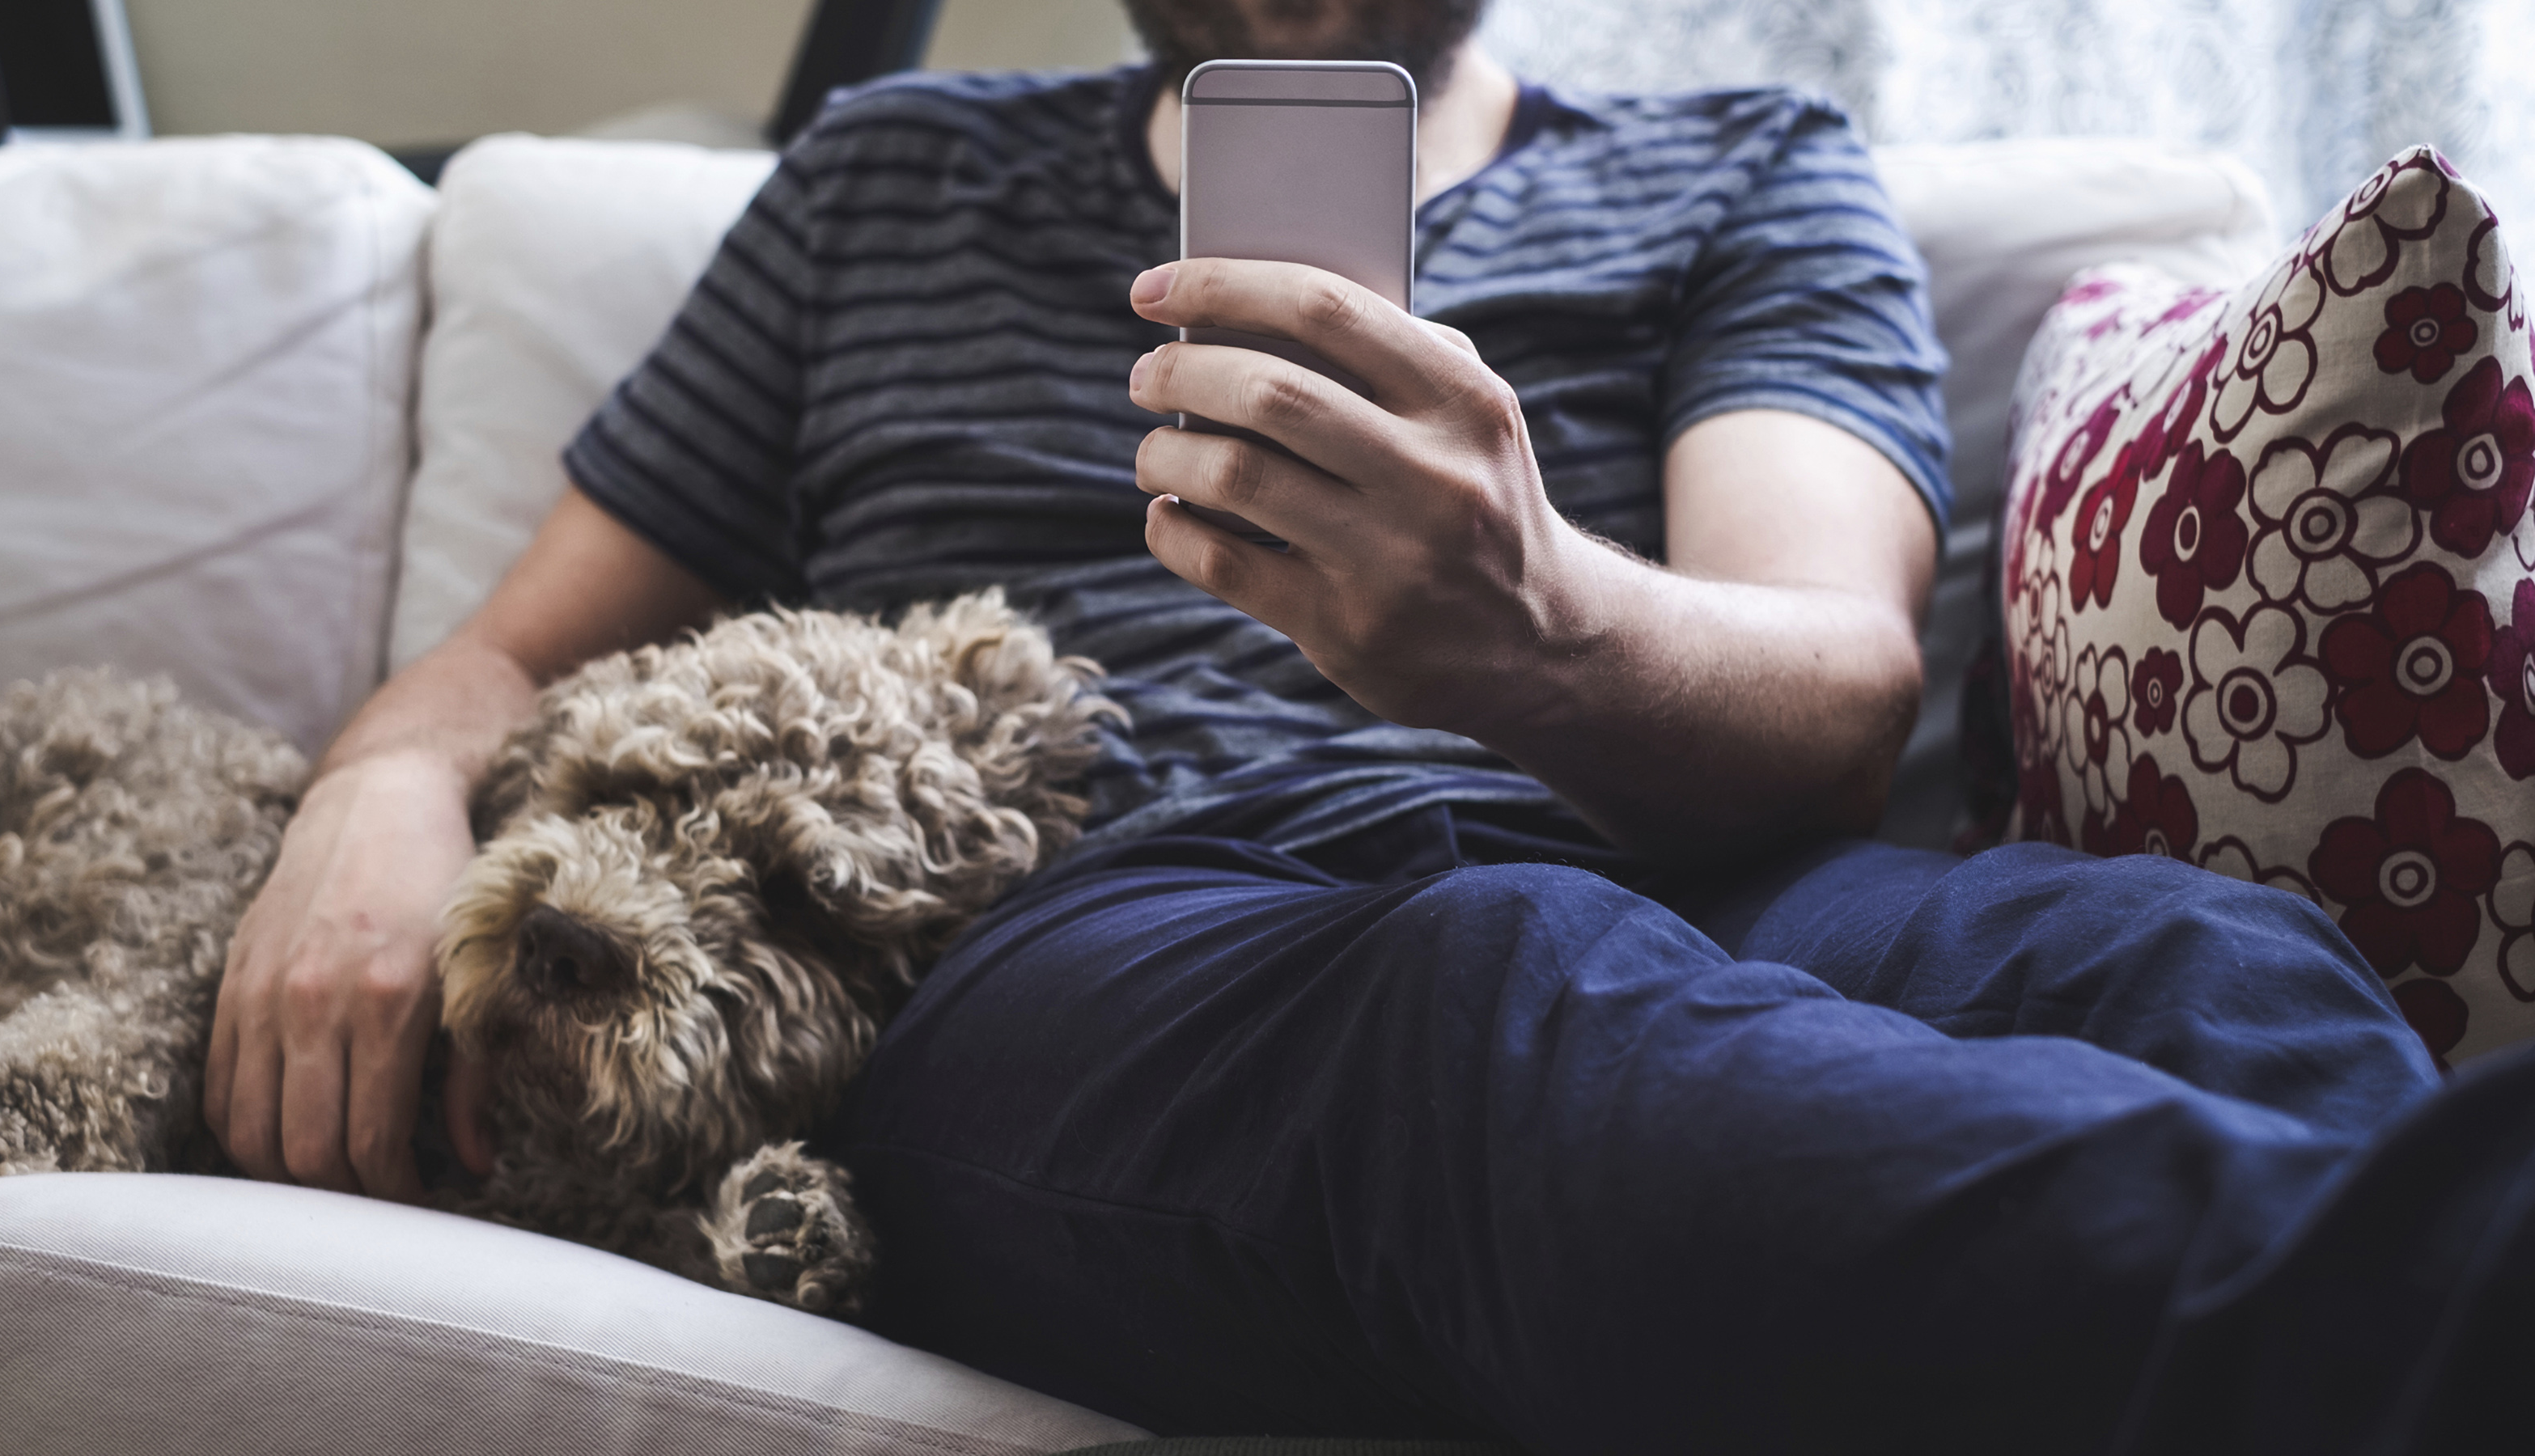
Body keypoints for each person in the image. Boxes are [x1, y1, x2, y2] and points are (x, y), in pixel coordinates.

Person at [203, 1, 2534, 1449]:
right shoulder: (881, 182)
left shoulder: (1743, 166)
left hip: (1696, 856)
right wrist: (390, 784)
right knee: (1483, 1010)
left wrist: (1519, 620)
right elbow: (506, 651)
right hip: (1072, 915)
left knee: (2165, 963)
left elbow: (1831, 698)